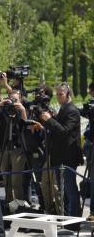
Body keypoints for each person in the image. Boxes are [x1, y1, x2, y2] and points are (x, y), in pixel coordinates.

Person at [34, 82, 83, 217]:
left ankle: (75, 221)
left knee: (70, 189)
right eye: (57, 94)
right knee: (64, 191)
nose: (58, 97)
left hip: (68, 157)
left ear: (68, 94)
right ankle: (66, 218)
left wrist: (50, 120)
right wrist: (50, 119)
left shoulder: (72, 110)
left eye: (60, 94)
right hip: (59, 156)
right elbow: (58, 127)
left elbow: (63, 132)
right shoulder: (63, 108)